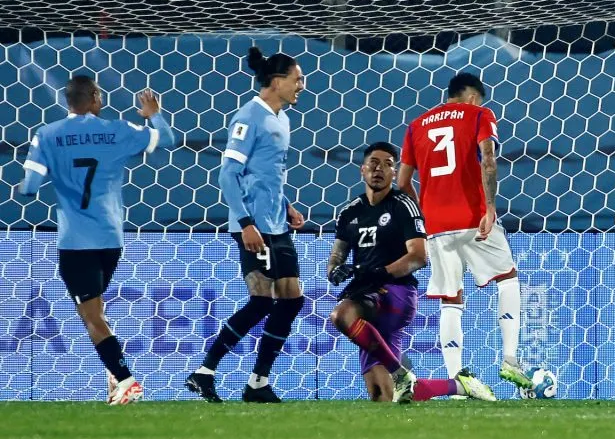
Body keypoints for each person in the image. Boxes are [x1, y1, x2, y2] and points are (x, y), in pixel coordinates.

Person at [19, 75, 176, 405]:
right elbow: (167, 139)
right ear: (93, 97)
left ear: (67, 101)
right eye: (100, 94)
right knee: (97, 312)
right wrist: (153, 115)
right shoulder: (117, 130)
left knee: (91, 317)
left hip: (76, 241)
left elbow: (31, 186)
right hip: (111, 238)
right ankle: (113, 380)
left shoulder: (47, 135)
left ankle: (127, 380)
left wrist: (27, 186)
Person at [328, 142, 496, 403]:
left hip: (395, 292)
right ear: (362, 170)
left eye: (387, 164)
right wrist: (335, 269)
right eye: (374, 163)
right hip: (366, 293)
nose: (379, 169)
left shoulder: (402, 205)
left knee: (342, 314)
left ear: (395, 173)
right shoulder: (350, 212)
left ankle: (399, 372)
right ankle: (460, 386)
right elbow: (337, 254)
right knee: (385, 395)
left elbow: (419, 256)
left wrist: (378, 272)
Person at [185, 47, 307, 404]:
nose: (301, 86)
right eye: (297, 79)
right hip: (253, 225)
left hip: (276, 225)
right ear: (277, 80)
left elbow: (268, 174)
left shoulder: (282, 118)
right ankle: (204, 372)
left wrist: (286, 206)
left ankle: (257, 383)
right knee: (260, 301)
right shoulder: (248, 117)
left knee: (291, 300)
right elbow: (228, 174)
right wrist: (245, 222)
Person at [397, 72, 531, 391]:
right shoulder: (479, 114)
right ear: (472, 98)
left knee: (450, 299)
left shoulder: (417, 125)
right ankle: (510, 360)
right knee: (508, 279)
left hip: (435, 225)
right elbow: (488, 160)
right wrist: (489, 207)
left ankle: (459, 380)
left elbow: (401, 184)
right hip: (473, 216)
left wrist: (423, 216)